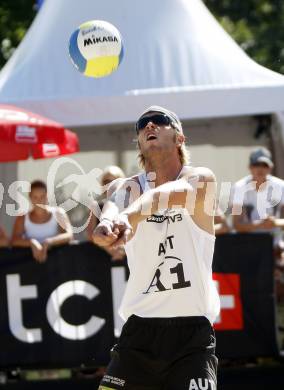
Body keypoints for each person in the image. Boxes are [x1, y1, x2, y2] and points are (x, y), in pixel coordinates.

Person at [93, 106, 220, 390]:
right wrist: (108, 224)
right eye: (142, 124)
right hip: (139, 333)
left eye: (160, 121)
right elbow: (114, 206)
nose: (150, 125)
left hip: (192, 337)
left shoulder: (200, 178)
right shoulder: (124, 187)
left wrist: (128, 216)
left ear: (180, 138)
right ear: (138, 142)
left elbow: (168, 196)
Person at [11, 180, 73, 263]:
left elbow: (69, 235)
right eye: (35, 197)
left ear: (47, 196)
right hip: (30, 265)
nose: (39, 201)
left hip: (56, 264)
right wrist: (32, 242)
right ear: (30, 198)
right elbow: (14, 240)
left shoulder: (58, 213)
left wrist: (48, 242)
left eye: (42, 196)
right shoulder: (22, 218)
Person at [87, 166, 126, 261]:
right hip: (102, 258)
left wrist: (123, 248)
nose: (109, 184)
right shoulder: (95, 206)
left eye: (113, 181)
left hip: (128, 257)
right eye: (106, 181)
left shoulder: (131, 204)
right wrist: (110, 249)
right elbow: (90, 234)